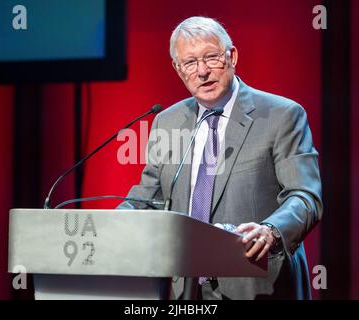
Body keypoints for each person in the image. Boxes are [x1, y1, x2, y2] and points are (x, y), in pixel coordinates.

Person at [118, 16, 322, 300]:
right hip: (186, 290)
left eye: (211, 57)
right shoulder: (167, 122)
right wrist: (109, 227)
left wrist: (271, 231)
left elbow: (305, 197)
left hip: (258, 284)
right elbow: (148, 199)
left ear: (232, 56)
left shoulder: (282, 115)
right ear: (178, 70)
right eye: (189, 63)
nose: (202, 71)